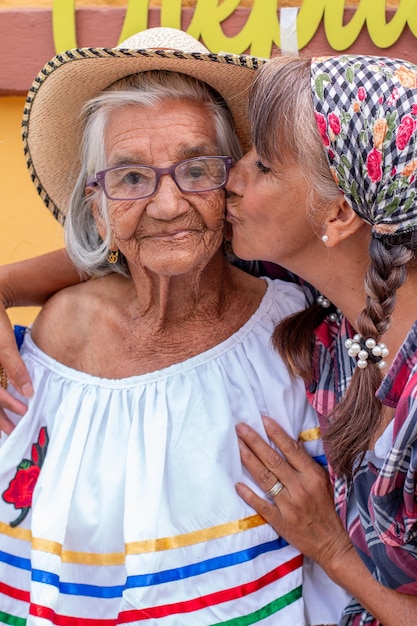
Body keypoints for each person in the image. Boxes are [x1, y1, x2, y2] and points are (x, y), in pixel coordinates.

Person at [0, 28, 348, 625]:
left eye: (196, 169)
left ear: (232, 184)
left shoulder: (298, 334)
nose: (166, 206)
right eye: (131, 179)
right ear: (96, 204)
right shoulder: (62, 335)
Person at [224, 54, 417, 625]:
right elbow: (149, 237)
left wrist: (332, 549)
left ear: (337, 214)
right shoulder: (337, 298)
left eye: (263, 166)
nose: (229, 179)